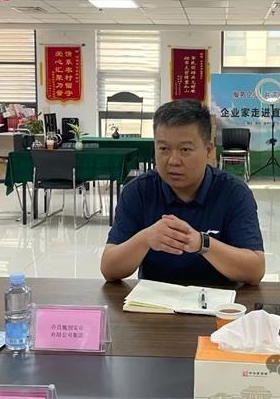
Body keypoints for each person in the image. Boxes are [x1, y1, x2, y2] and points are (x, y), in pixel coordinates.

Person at [100, 100, 265, 285]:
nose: (173, 161)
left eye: (185, 150)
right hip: (155, 300)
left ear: (208, 150)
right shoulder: (138, 191)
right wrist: (145, 239)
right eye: (164, 149)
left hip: (218, 300)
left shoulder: (234, 193)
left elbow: (255, 271)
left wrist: (202, 243)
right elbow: (109, 269)